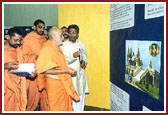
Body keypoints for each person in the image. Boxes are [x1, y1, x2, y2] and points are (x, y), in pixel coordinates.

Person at [36, 27, 80, 111]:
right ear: (53, 36)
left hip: (62, 83)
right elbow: (46, 70)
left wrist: (67, 68)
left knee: (65, 107)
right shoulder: (46, 49)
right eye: (61, 36)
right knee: (56, 108)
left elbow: (59, 65)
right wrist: (66, 71)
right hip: (54, 85)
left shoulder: (56, 48)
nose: (63, 38)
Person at [4, 27, 35, 111]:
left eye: (19, 40)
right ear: (7, 37)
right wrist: (4, 66)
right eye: (15, 40)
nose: (18, 43)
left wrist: (29, 73)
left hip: (19, 84)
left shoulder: (18, 50)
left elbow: (22, 65)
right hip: (7, 88)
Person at [61, 24, 89, 111]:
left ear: (77, 34)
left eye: (74, 32)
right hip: (71, 75)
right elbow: (62, 61)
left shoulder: (81, 43)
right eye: (71, 32)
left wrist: (84, 61)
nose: (72, 34)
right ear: (68, 34)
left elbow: (84, 55)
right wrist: (73, 56)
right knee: (72, 95)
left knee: (81, 95)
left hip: (80, 74)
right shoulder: (63, 45)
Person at [22, 19, 48, 111]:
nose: (42, 29)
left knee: (45, 97)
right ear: (34, 27)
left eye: (43, 28)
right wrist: (35, 58)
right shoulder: (28, 39)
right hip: (33, 73)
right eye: (40, 27)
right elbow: (23, 57)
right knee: (33, 98)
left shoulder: (44, 39)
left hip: (44, 72)